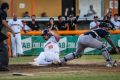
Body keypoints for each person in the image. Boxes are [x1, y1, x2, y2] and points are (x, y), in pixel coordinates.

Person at [0, 2, 15, 71]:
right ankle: (3, 66)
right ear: (5, 8)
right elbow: (4, 22)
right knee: (4, 49)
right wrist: (12, 30)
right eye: (7, 9)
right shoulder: (3, 12)